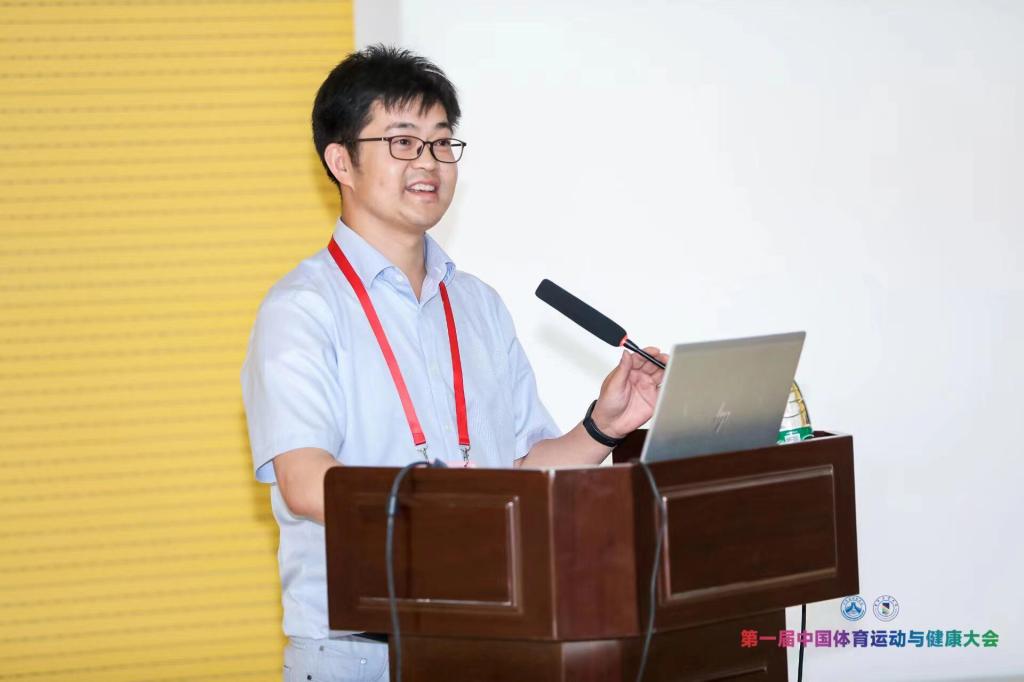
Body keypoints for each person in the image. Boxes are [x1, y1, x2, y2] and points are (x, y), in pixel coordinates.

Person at [240, 45, 667, 682]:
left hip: (490, 636)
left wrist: (603, 426)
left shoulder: (476, 304)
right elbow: (306, 484)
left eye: (442, 143)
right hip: (363, 653)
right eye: (403, 142)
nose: (429, 162)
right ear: (341, 161)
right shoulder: (302, 310)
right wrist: (452, 508)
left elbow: (524, 478)